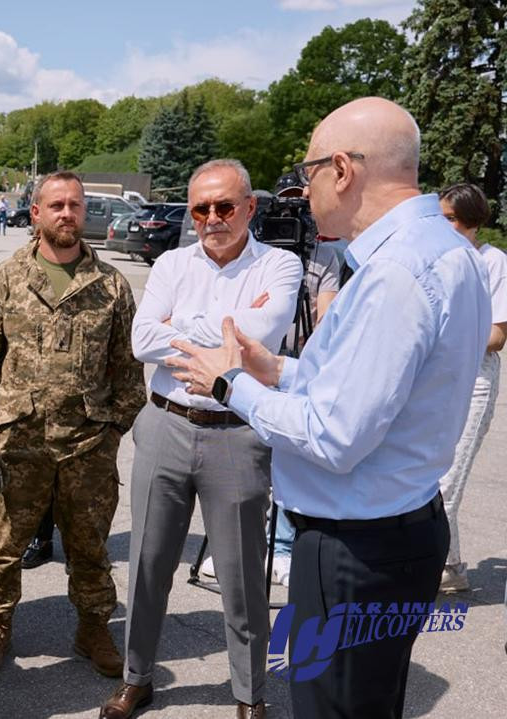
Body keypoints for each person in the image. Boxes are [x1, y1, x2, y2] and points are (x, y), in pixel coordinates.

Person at [167, 98, 491, 719]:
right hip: (397, 528)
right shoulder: (446, 251)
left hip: (354, 551)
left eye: (309, 170)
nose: (305, 188)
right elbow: (375, 390)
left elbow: (334, 435)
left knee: (328, 706)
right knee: (364, 703)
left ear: (342, 170)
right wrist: (279, 370)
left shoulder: (394, 274)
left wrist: (230, 383)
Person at [104, 158, 302, 719]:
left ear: (250, 207)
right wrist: (222, 325)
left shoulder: (279, 266)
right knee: (147, 563)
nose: (212, 218)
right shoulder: (171, 262)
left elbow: (258, 336)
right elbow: (143, 339)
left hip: (236, 434)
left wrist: (186, 324)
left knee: (241, 576)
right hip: (166, 423)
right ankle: (136, 678)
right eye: (200, 208)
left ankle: (248, 694)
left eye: (224, 206)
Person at [0, 171, 144, 676]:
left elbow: (128, 368)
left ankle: (93, 628)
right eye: (56, 205)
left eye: (75, 205)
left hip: (88, 445)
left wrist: (113, 430)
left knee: (89, 545)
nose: (67, 214)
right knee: (4, 543)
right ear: (35, 213)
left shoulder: (110, 286)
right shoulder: (6, 280)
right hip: (21, 441)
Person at [201, 174, 343, 588]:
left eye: (299, 203)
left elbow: (327, 320)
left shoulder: (325, 256)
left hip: (296, 362)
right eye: (281, 204)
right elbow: (227, 317)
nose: (289, 212)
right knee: (241, 458)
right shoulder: (254, 255)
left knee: (286, 456)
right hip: (250, 362)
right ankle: (230, 542)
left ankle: (280, 545)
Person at [435, 182, 506, 593]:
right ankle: (450, 569)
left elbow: (497, 336)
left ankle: (425, 572)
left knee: (446, 484)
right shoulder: (436, 259)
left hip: (473, 379)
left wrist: (443, 336)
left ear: (472, 220)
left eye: (451, 219)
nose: (444, 226)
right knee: (429, 477)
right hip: (433, 378)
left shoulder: (493, 263)